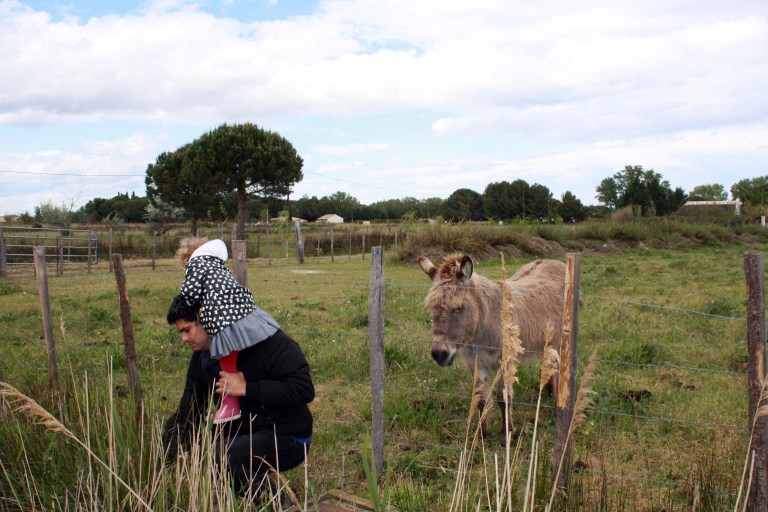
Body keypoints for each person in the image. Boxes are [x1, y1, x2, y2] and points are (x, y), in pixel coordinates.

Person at [162, 294, 315, 496]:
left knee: (220, 456)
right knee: (203, 452)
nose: (183, 339)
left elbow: (303, 389)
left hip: (288, 436)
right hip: (244, 429)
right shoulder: (203, 359)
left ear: (208, 321)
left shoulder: (269, 343)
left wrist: (247, 388)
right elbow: (189, 412)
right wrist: (161, 459)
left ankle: (278, 502)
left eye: (187, 330)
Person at [176, 237, 281, 424]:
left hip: (218, 341)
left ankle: (230, 408)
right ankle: (229, 409)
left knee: (217, 368)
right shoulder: (221, 277)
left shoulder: (200, 284)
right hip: (228, 336)